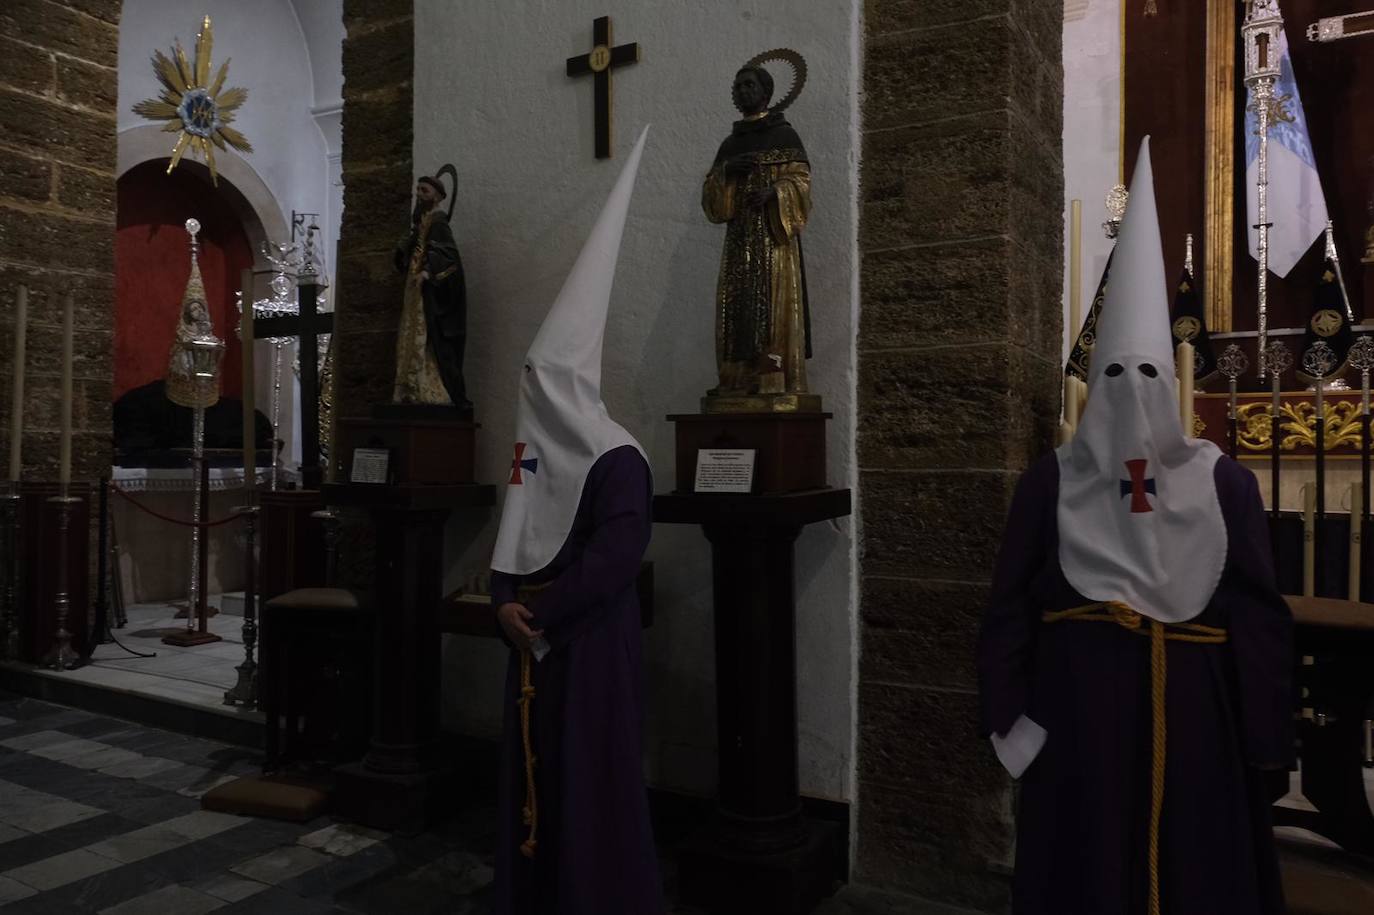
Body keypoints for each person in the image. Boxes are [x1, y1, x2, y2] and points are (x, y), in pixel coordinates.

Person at [977, 139, 1293, 915]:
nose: (1131, 391)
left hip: (1197, 729)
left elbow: (1257, 618)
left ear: (1171, 382)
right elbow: (1009, 607)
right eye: (1114, 373)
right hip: (1074, 723)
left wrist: (1263, 741)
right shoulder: (1050, 482)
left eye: (1147, 374)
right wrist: (1010, 722)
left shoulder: (1224, 485)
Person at [490, 127, 662, 915]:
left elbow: (613, 559)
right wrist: (502, 602)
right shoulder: (534, 449)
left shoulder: (619, 457)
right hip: (534, 638)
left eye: (542, 377)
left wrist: (540, 612)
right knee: (535, 776)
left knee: (590, 778)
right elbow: (516, 520)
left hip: (588, 643)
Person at [701, 63, 811, 397]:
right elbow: (711, 200)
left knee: (772, 309)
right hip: (739, 242)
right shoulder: (729, 144)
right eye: (737, 87)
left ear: (766, 92)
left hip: (772, 240)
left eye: (749, 85)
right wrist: (726, 174)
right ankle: (736, 379)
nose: (742, 91)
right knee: (738, 308)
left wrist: (775, 193)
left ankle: (774, 378)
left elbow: (801, 182)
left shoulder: (784, 135)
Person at [392, 172, 470, 409]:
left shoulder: (439, 222)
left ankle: (432, 388)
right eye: (418, 190)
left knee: (431, 339)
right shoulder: (422, 222)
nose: (419, 194)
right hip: (415, 291)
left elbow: (447, 255)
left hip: (431, 291)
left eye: (424, 191)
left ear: (437, 196)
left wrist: (428, 272)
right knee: (412, 334)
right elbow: (414, 250)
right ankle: (411, 388)